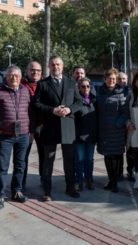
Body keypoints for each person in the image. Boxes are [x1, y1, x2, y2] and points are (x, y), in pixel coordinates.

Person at [34, 56, 82, 201]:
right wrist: (52, 110)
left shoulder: (71, 82)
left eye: (58, 64)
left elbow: (79, 101)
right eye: (53, 65)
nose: (56, 67)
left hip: (68, 126)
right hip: (50, 127)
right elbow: (36, 104)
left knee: (69, 160)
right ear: (49, 66)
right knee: (48, 160)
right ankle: (47, 191)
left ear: (63, 66)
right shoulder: (43, 84)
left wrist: (69, 109)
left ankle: (70, 187)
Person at [0, 65, 32, 210]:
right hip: (4, 135)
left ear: (20, 77)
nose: (14, 78)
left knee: (20, 165)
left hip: (23, 134)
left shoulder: (25, 91)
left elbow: (30, 111)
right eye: (11, 75)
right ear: (6, 76)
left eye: (17, 75)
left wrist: (31, 131)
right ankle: (0, 195)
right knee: (2, 167)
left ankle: (16, 191)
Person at [97, 68, 128, 193]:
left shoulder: (121, 93)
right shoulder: (100, 92)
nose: (112, 81)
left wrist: (118, 124)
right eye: (109, 78)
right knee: (107, 157)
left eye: (114, 79)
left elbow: (125, 112)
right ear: (105, 79)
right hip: (104, 131)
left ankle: (115, 182)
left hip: (117, 131)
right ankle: (110, 180)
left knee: (116, 157)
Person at [21, 61, 43, 188]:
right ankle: (21, 181)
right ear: (27, 71)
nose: (35, 72)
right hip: (26, 127)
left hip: (42, 126)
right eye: (32, 70)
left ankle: (43, 178)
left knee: (43, 155)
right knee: (23, 157)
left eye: (38, 70)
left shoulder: (45, 84)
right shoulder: (20, 85)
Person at [74, 77, 97, 191]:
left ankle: (89, 179)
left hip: (91, 136)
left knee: (89, 159)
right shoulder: (76, 101)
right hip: (79, 137)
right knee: (79, 160)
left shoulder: (94, 100)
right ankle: (79, 181)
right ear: (79, 88)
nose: (86, 88)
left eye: (88, 86)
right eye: (83, 86)